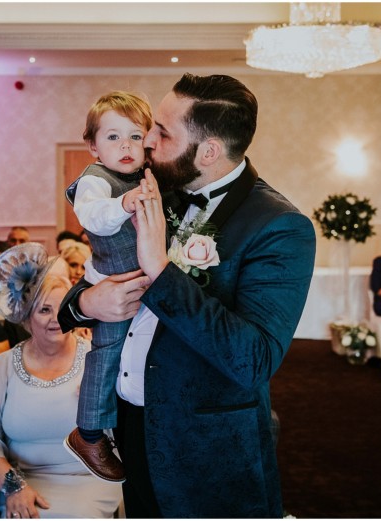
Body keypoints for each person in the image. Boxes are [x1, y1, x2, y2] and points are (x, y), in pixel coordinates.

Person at [58, 73, 316, 517]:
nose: (148, 141)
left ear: (208, 151)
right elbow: (105, 266)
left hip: (206, 445)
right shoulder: (157, 188)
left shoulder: (280, 228)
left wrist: (161, 270)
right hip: (131, 422)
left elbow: (252, 359)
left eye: (162, 131)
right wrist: (85, 303)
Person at [0, 243, 123, 518]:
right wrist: (14, 488)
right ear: (27, 317)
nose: (56, 319)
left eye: (62, 308)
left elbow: (126, 428)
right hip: (23, 484)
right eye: (44, 310)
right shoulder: (2, 366)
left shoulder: (97, 360)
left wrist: (105, 405)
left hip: (89, 482)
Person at [61, 91, 154, 481]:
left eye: (135, 136)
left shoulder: (147, 176)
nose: (126, 146)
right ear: (93, 146)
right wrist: (126, 203)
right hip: (113, 282)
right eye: (113, 137)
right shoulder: (94, 181)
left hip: (145, 284)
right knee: (107, 352)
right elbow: (94, 217)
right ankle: (90, 433)